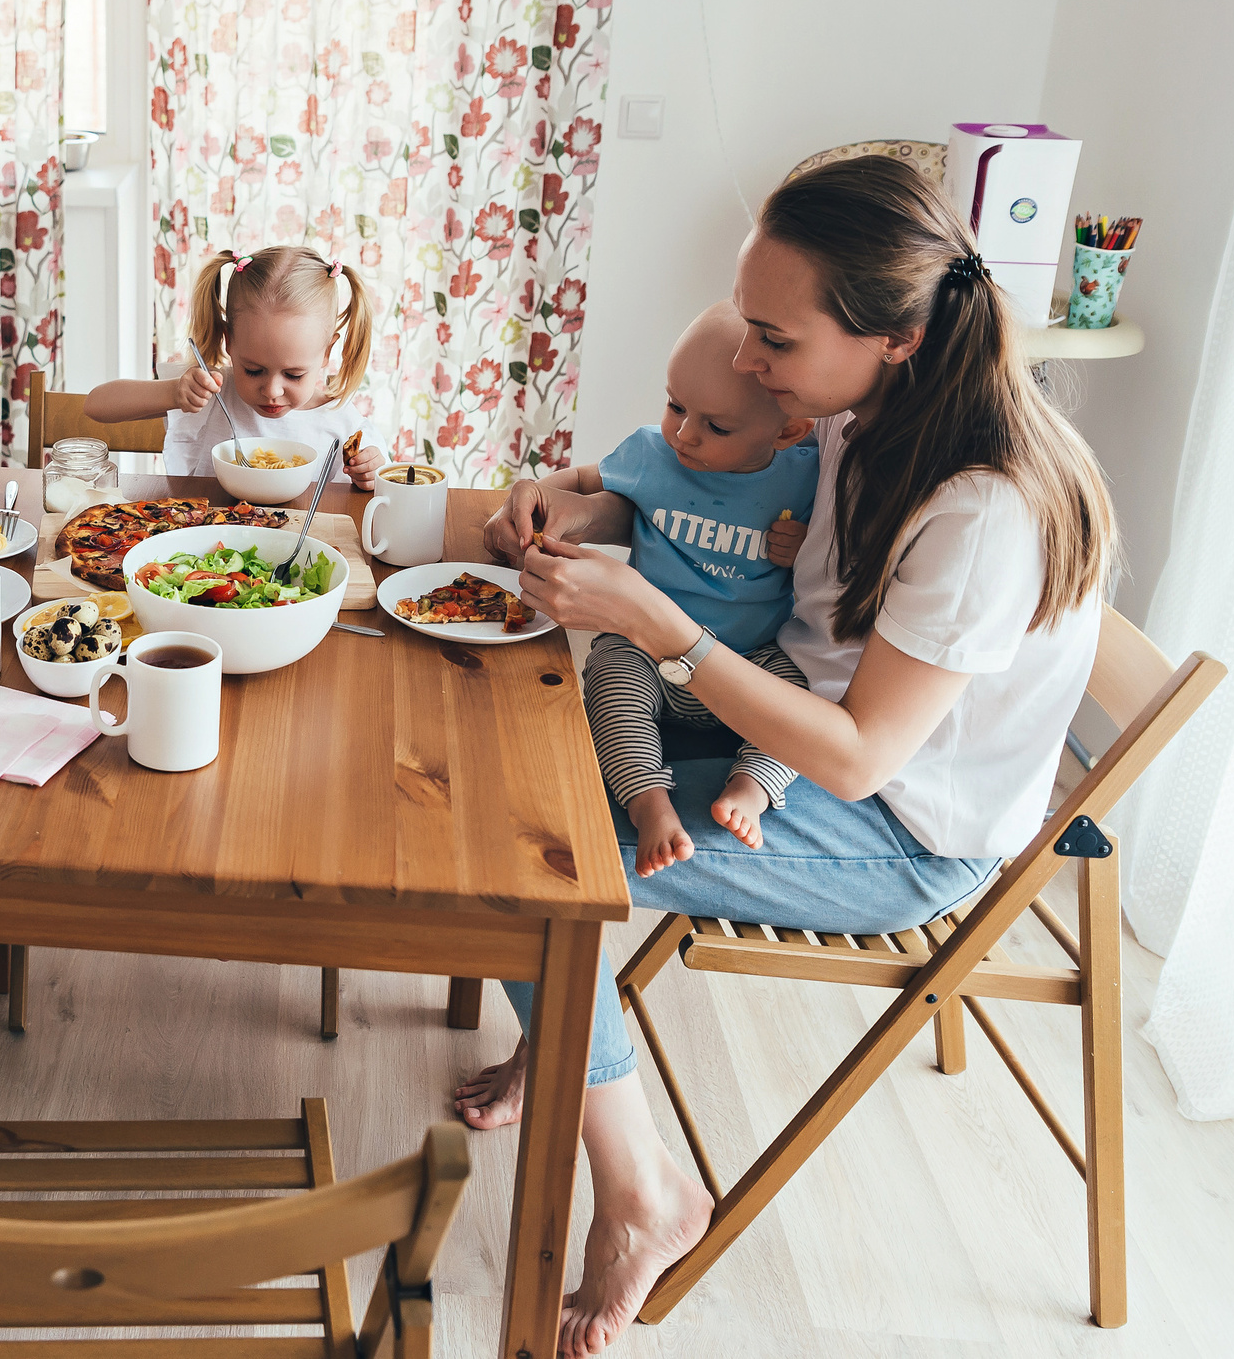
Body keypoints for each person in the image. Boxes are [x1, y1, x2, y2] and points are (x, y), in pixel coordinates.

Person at [455, 154, 1116, 1355]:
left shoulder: (980, 511)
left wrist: (661, 624)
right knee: (514, 748)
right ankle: (567, 1029)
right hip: (786, 724)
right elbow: (684, 488)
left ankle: (643, 1191)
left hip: (892, 827)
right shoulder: (856, 416)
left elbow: (861, 756)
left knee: (520, 861)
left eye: (773, 337)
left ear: (896, 336)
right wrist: (579, 505)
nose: (746, 361)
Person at [530, 301, 819, 867]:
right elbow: (586, 477)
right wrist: (544, 490)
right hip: (645, 653)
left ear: (788, 431)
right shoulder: (653, 454)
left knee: (801, 691)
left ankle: (752, 790)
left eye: (715, 425)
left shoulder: (807, 476)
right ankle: (648, 802)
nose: (684, 434)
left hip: (747, 665)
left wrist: (806, 545)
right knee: (609, 676)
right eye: (674, 405)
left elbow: (836, 562)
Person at [86, 244, 384, 488]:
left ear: (326, 353)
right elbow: (96, 405)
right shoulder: (211, 392)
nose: (272, 390)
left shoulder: (342, 424)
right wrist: (173, 393)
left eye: (294, 374)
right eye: (253, 370)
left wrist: (368, 474)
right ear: (229, 341)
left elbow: (382, 485)